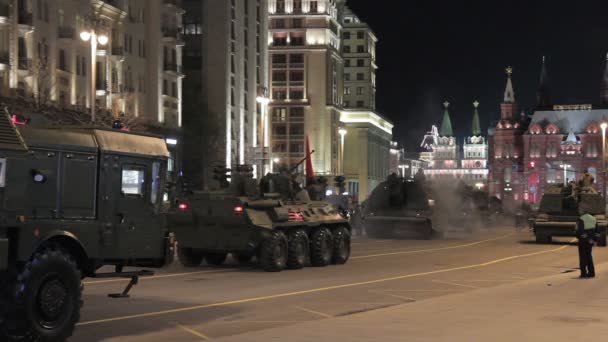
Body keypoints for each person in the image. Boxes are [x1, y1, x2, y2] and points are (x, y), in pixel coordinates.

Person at [576, 207, 600, 278]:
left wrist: (587, 239)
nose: (579, 212)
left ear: (583, 211)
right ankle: (591, 273)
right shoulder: (593, 218)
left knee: (583, 257)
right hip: (591, 241)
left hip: (583, 241)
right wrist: (595, 240)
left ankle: (583, 274)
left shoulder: (581, 219)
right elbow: (597, 231)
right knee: (589, 256)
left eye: (580, 210)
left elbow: (580, 231)